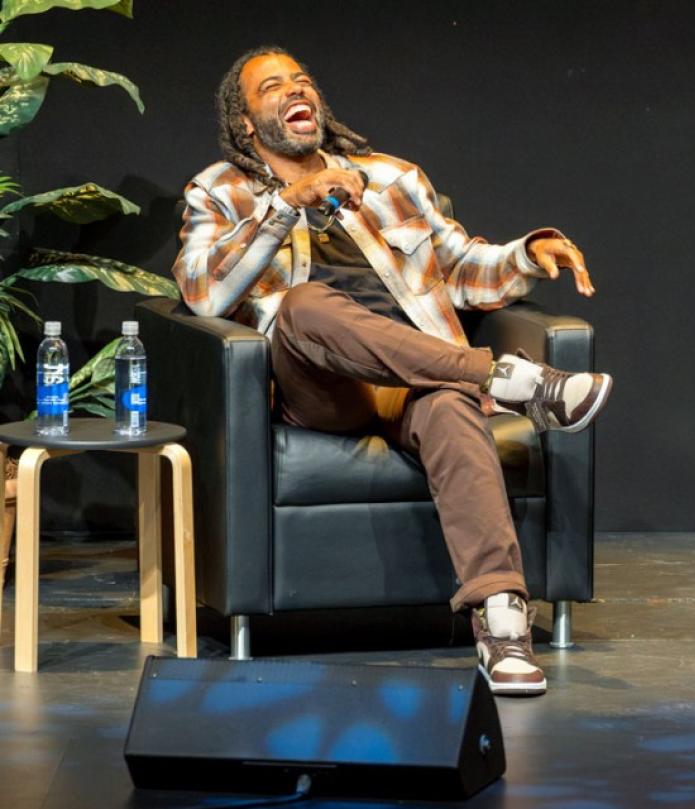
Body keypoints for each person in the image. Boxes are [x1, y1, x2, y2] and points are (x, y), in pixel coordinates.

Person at [173, 46, 613, 695]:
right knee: (304, 305)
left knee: (449, 398)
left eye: (302, 80)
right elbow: (202, 294)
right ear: (244, 122)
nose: (297, 90)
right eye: (273, 87)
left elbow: (462, 266)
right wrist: (288, 203)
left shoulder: (392, 178)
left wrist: (525, 253)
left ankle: (501, 621)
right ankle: (502, 377)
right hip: (316, 383)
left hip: (412, 372)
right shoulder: (219, 190)